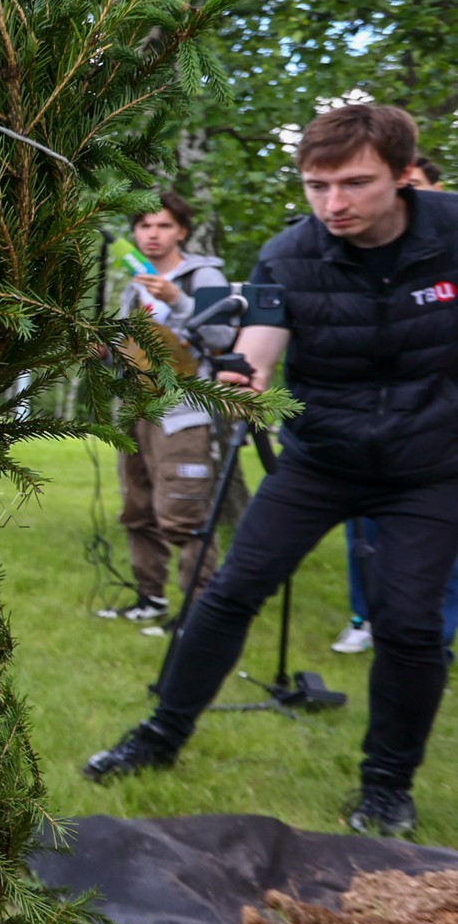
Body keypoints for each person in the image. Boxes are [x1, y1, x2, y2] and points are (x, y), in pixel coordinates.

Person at [84, 105, 458, 840]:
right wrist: (243, 379)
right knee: (227, 592)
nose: (333, 205)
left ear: (401, 175)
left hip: (431, 466)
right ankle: (159, 735)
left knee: (410, 625)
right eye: (316, 186)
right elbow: (255, 348)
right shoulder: (288, 255)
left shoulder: (453, 233)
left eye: (354, 184)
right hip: (320, 456)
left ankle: (386, 786)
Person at [335, 151, 457, 656]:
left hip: (439, 436)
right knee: (362, 528)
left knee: (438, 542)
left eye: (418, 189)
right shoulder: (358, 258)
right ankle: (364, 615)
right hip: (368, 427)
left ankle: (435, 628)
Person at [94, 192, 232, 630]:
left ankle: (198, 613)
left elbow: (223, 336)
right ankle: (149, 598)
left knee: (184, 515)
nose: (152, 235)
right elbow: (131, 350)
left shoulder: (204, 275)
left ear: (182, 231)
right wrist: (103, 351)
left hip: (185, 411)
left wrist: (178, 298)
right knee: (138, 510)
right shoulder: (134, 282)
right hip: (138, 409)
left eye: (164, 226)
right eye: (144, 226)